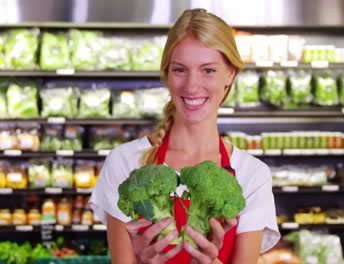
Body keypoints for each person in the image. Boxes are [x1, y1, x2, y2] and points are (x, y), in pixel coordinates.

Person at [89, 8, 280, 264]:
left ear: (230, 74)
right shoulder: (125, 162)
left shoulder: (252, 174)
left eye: (208, 70)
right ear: (167, 73)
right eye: (180, 70)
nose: (192, 86)